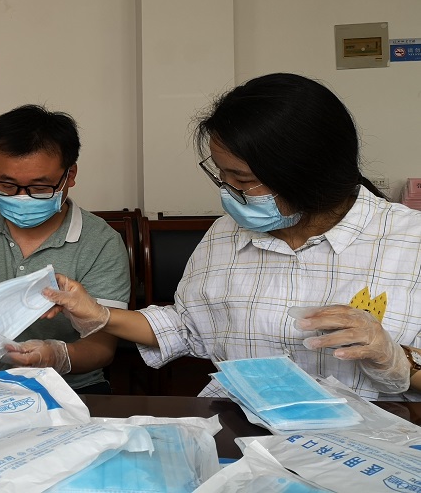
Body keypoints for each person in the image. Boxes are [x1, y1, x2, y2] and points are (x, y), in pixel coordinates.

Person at [42, 73, 421, 400]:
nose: (228, 191)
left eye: (241, 179)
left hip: (366, 439)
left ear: (309, 174)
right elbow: (188, 326)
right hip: (244, 428)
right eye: (222, 175)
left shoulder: (409, 241)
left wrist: (394, 357)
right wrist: (99, 314)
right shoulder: (226, 234)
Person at [0, 104, 130, 394]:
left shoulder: (102, 243)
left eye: (40, 187)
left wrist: (56, 356)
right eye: (6, 185)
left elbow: (102, 347)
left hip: (68, 389)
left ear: (70, 175)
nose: (22, 198)